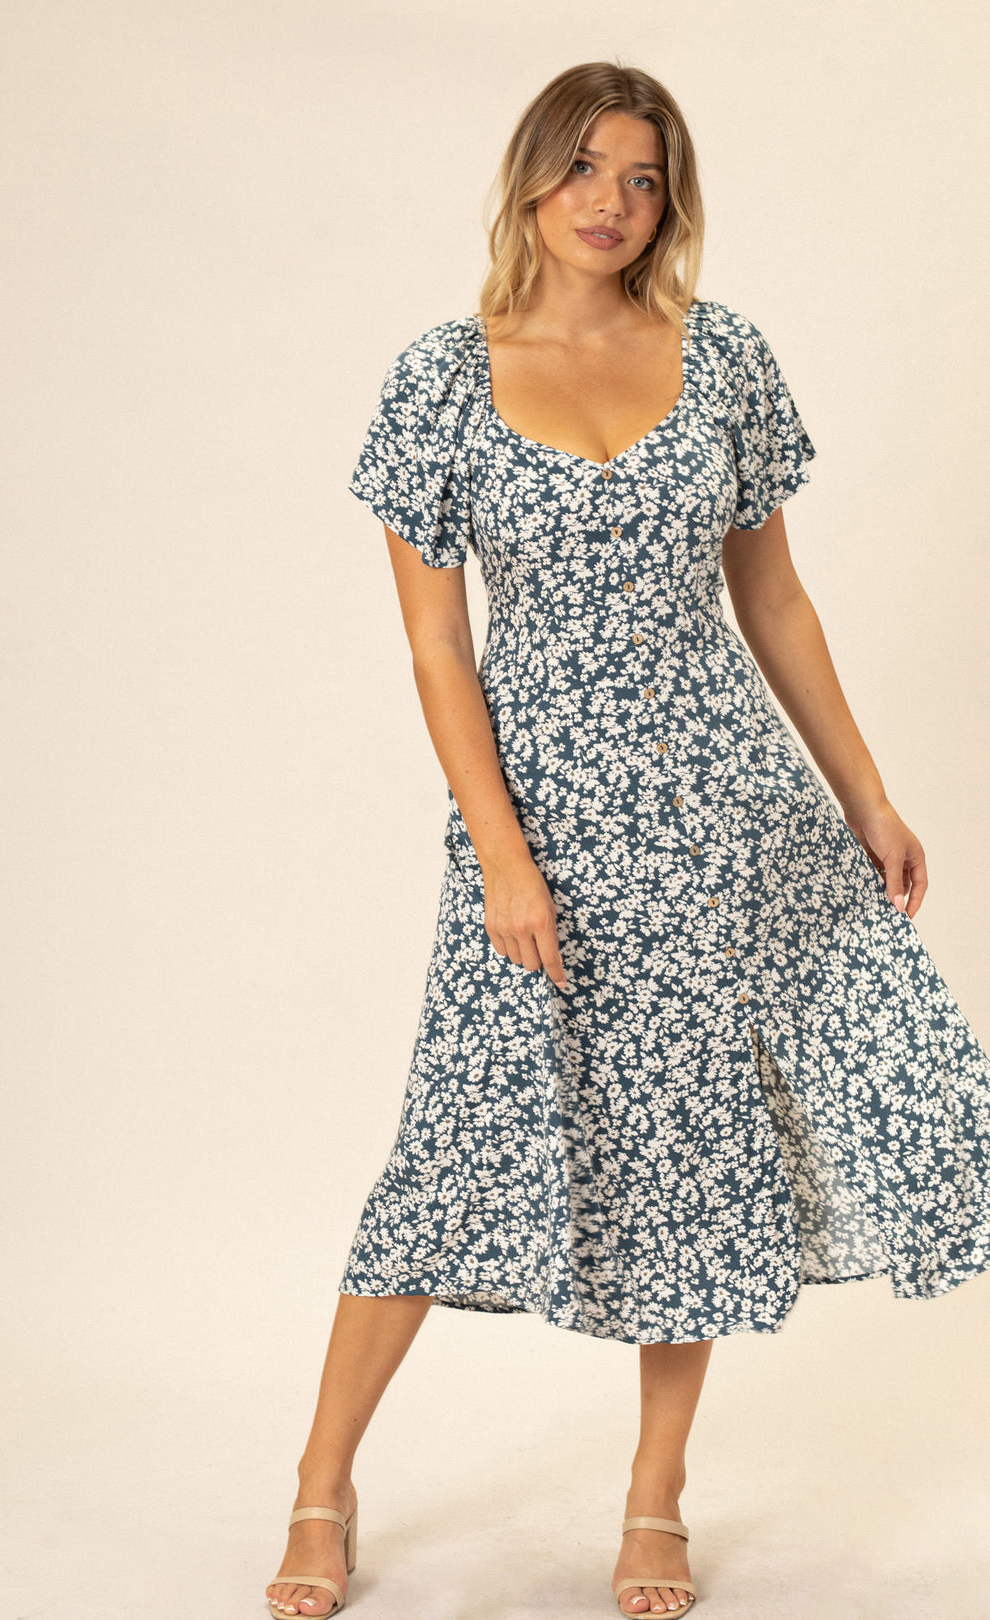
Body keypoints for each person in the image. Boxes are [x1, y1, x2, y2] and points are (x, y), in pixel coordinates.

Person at [265, 60, 990, 1619]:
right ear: (530, 179)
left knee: (699, 1148)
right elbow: (438, 654)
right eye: (585, 167)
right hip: (543, 826)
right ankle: (322, 1482)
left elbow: (773, 598)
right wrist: (503, 856)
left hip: (724, 815)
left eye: (643, 177)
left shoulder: (721, 358)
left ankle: (655, 1500)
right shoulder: (443, 378)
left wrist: (865, 794)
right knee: (449, 1143)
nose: (611, 200)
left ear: (672, 201)